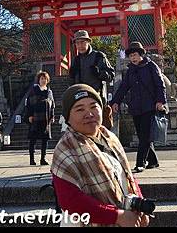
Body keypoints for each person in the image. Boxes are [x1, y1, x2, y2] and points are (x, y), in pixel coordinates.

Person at [51, 84, 150, 227]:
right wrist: (117, 216)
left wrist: (140, 208)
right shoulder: (65, 149)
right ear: (68, 118)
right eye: (80, 109)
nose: (89, 114)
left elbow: (129, 178)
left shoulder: (110, 138)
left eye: (93, 107)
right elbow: (71, 202)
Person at [111, 42, 166, 173]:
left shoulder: (151, 66)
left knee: (145, 135)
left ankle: (140, 163)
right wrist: (115, 102)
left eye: (135, 55)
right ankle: (153, 161)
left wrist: (160, 100)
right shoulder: (130, 71)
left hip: (150, 106)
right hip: (136, 107)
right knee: (143, 136)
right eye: (130, 56)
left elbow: (160, 84)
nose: (133, 58)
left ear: (141, 55)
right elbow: (123, 88)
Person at [69, 30, 116, 128]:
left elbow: (111, 75)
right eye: (77, 43)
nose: (80, 45)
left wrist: (100, 73)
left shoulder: (99, 56)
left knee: (98, 128)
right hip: (81, 98)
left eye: (82, 42)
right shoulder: (76, 60)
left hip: (97, 98)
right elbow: (72, 81)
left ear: (88, 42)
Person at [24, 71, 55, 166]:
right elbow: (29, 104)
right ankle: (32, 159)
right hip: (35, 116)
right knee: (33, 139)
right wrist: (29, 115)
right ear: (39, 80)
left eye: (45, 79)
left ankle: (43, 158)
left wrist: (52, 116)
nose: (43, 80)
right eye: (42, 78)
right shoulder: (34, 90)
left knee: (45, 139)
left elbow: (52, 105)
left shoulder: (49, 91)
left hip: (46, 118)